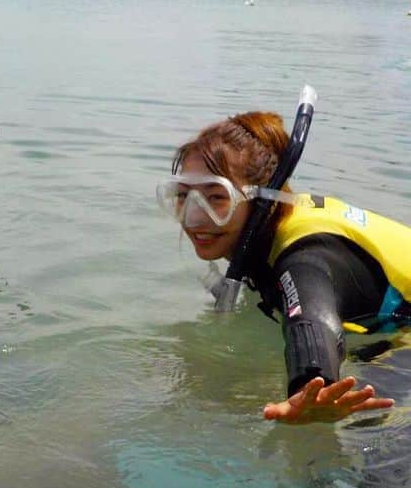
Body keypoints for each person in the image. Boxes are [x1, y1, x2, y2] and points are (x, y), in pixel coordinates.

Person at [159, 110, 409, 424]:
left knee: (373, 456)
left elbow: (312, 317)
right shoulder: (273, 228)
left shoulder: (305, 255)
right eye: (183, 196)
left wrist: (311, 385)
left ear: (262, 199)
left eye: (216, 197)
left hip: (401, 336)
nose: (193, 217)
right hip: (387, 329)